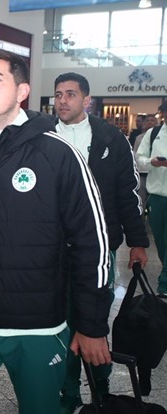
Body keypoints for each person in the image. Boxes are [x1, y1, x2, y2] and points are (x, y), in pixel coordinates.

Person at [0, 50, 112, 414]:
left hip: (38, 327)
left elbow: (91, 242)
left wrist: (92, 324)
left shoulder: (58, 153)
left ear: (22, 91)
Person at [53, 72, 149, 413]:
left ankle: (101, 389)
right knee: (60, 323)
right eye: (58, 94)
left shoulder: (110, 138)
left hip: (98, 249)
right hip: (53, 248)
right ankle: (67, 392)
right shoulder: (43, 137)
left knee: (93, 317)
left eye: (70, 94)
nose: (62, 100)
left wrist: (138, 242)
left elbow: (128, 194)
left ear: (86, 100)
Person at [136, 101, 167, 297]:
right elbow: (139, 159)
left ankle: (164, 283)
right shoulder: (153, 134)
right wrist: (152, 162)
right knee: (161, 241)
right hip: (157, 197)